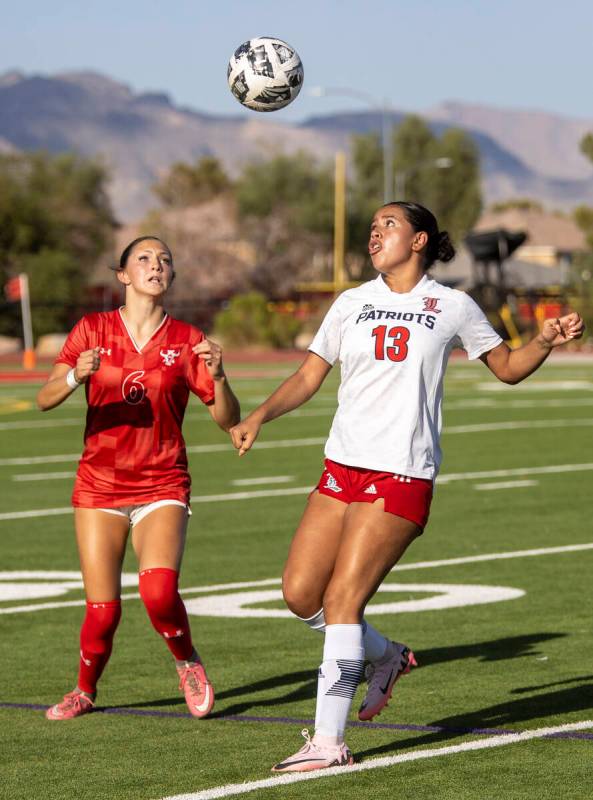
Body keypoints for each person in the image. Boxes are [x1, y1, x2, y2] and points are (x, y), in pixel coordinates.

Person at [230, 201, 584, 772]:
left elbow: (509, 367)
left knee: (344, 600)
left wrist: (544, 340)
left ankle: (328, 741)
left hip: (402, 472)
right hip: (340, 467)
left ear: (420, 240)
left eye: (388, 225)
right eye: (372, 227)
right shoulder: (351, 303)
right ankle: (387, 656)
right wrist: (259, 417)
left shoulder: (453, 305)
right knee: (301, 595)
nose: (375, 233)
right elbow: (308, 376)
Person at [38, 236, 240, 721]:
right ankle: (84, 691)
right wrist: (73, 378)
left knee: (157, 592)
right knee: (103, 612)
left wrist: (221, 373)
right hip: (99, 484)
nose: (157, 265)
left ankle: (187, 661)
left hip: (163, 481)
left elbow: (226, 417)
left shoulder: (188, 340)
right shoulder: (92, 329)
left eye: (165, 260)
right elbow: (45, 397)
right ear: (124, 276)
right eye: (144, 259)